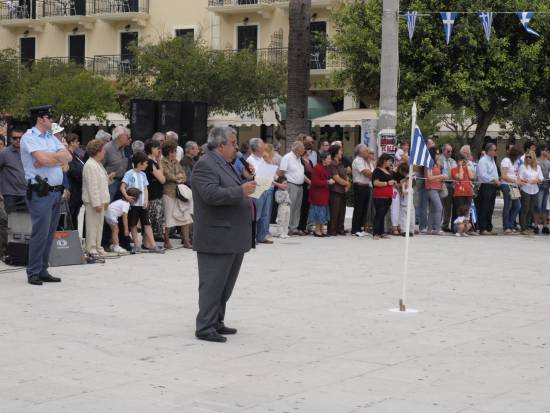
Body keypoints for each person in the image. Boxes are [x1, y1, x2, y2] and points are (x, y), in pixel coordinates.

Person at [191, 126, 256, 343]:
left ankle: (217, 320)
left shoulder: (226, 164)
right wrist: (241, 191)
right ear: (220, 146)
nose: (236, 148)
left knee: (225, 284)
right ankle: (205, 326)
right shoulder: (205, 165)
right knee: (212, 283)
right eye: (233, 143)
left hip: (232, 235)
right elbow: (210, 194)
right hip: (216, 236)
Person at [20, 105, 72, 285]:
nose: (52, 120)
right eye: (50, 117)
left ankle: (42, 269)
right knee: (40, 234)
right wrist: (53, 159)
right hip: (40, 191)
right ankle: (33, 271)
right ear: (41, 119)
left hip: (56, 192)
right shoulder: (29, 137)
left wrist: (50, 159)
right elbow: (42, 159)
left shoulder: (51, 137)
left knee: (49, 234)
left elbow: (69, 157)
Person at [121, 151, 163, 253]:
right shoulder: (129, 173)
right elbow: (122, 186)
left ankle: (153, 245)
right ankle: (136, 245)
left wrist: (146, 200)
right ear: (140, 163)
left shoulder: (143, 175)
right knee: (133, 224)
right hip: (133, 205)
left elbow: (145, 189)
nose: (147, 165)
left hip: (142, 205)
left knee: (147, 224)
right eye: (145, 163)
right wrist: (127, 196)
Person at [82, 139, 112, 263]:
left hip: (102, 200)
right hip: (94, 201)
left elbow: (101, 182)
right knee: (92, 225)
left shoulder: (98, 163)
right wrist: (96, 203)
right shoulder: (90, 165)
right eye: (103, 149)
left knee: (99, 226)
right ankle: (91, 248)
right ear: (97, 151)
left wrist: (109, 178)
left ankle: (98, 246)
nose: (104, 151)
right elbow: (92, 186)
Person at [161, 140, 193, 249]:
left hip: (178, 193)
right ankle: (166, 240)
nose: (174, 154)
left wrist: (179, 178)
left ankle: (186, 241)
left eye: (175, 151)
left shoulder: (176, 162)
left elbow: (183, 174)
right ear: (167, 152)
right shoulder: (162, 162)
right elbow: (167, 175)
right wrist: (177, 178)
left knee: (185, 216)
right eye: (172, 152)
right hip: (168, 192)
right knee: (168, 217)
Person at [247, 138, 274, 244]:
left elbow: (270, 169)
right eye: (262, 146)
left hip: (266, 187)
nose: (264, 148)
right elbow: (254, 174)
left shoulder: (262, 158)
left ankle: (262, 236)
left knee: (265, 214)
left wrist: (268, 160)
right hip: (257, 188)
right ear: (257, 148)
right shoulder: (250, 160)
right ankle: (252, 236)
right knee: (256, 214)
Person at [279, 141, 308, 236]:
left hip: (300, 186)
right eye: (302, 148)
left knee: (297, 207)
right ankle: (287, 228)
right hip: (291, 185)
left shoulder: (299, 158)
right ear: (297, 149)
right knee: (290, 207)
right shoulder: (287, 157)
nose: (304, 150)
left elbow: (301, 173)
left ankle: (294, 227)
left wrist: (309, 181)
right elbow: (281, 172)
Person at [105, 188, 141, 255]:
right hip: (111, 215)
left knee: (114, 230)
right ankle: (116, 246)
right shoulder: (126, 204)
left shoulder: (121, 201)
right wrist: (126, 230)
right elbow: (125, 218)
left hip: (108, 214)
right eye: (136, 200)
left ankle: (113, 244)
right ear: (131, 198)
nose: (135, 202)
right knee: (116, 230)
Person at [144, 139, 166, 245]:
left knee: (150, 219)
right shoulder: (150, 162)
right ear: (151, 149)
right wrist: (158, 162)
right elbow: (162, 179)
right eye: (158, 148)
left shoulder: (152, 162)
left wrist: (159, 161)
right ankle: (148, 243)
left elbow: (161, 174)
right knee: (151, 220)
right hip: (152, 195)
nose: (159, 151)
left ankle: (147, 242)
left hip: (154, 194)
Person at [0, 128, 28, 213]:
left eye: (20, 138)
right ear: (10, 139)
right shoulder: (4, 153)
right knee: (11, 222)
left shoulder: (28, 153)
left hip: (26, 193)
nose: (18, 140)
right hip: (10, 194)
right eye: (15, 138)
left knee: (26, 221)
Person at [476, 143, 500, 235]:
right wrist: (493, 179)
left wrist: (497, 179)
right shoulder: (483, 161)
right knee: (484, 207)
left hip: (493, 186)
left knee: (490, 208)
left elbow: (495, 172)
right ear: (489, 151)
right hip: (486, 185)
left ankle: (489, 227)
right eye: (494, 150)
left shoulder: (492, 160)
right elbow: (482, 175)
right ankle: (482, 228)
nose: (495, 152)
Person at [327, 144, 350, 236]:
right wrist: (347, 183)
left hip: (342, 190)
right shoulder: (332, 164)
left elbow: (345, 175)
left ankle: (340, 228)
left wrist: (347, 183)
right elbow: (336, 177)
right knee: (334, 210)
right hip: (335, 190)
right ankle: (332, 230)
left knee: (342, 210)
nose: (342, 152)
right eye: (340, 151)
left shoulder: (340, 163)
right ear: (336, 153)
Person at [518, 150, 544, 235]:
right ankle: (523, 228)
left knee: (531, 209)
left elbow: (541, 178)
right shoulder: (522, 166)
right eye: (526, 157)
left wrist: (537, 180)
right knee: (525, 209)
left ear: (533, 157)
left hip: (535, 190)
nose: (528, 158)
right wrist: (526, 180)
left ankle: (528, 226)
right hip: (526, 189)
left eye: (530, 157)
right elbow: (520, 178)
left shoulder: (538, 167)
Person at [308, 151, 333, 237]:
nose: (330, 160)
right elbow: (315, 182)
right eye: (328, 158)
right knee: (319, 211)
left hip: (324, 193)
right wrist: (327, 182)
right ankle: (317, 230)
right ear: (323, 159)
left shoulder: (325, 167)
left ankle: (321, 229)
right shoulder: (317, 168)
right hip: (318, 194)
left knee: (323, 212)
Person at [351, 144, 374, 237]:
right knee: (359, 208)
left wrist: (369, 163)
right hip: (359, 186)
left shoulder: (366, 161)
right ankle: (355, 229)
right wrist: (375, 174)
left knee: (365, 209)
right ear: (360, 152)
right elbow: (367, 173)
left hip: (366, 186)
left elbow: (372, 171)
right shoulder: (357, 160)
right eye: (366, 151)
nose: (367, 153)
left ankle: (360, 228)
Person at [103, 126, 131, 201]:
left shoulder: (123, 148)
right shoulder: (107, 148)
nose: (129, 138)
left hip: (122, 183)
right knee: (108, 206)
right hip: (111, 183)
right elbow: (99, 166)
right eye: (127, 135)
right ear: (120, 136)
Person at [372, 153, 396, 240]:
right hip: (380, 196)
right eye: (389, 161)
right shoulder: (377, 170)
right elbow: (375, 183)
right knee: (379, 214)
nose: (390, 163)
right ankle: (376, 233)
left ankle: (381, 232)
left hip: (388, 196)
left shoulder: (388, 170)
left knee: (383, 215)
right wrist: (387, 183)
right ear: (384, 161)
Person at [500, 145, 522, 234]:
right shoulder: (506, 161)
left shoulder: (516, 162)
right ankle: (506, 226)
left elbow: (516, 174)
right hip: (507, 185)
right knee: (508, 206)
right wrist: (515, 181)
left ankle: (511, 224)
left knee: (517, 206)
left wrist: (519, 181)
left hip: (514, 186)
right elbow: (504, 176)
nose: (519, 157)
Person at [66, 133, 85, 230]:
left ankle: (74, 236)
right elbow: (73, 170)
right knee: (71, 215)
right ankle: (71, 237)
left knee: (75, 215)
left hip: (78, 190)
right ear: (71, 142)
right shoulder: (68, 155)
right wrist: (84, 178)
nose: (79, 143)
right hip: (73, 189)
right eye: (77, 141)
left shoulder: (75, 154)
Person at [424, 151, 446, 235]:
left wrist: (441, 176)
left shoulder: (437, 164)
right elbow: (429, 177)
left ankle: (429, 229)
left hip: (438, 188)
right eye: (437, 154)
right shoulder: (429, 164)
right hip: (431, 188)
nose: (439, 155)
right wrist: (440, 176)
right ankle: (437, 228)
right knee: (439, 208)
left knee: (433, 209)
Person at [451, 153, 474, 228]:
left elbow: (471, 177)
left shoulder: (466, 168)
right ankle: (458, 228)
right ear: (457, 161)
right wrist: (460, 166)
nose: (462, 162)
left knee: (467, 212)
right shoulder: (453, 170)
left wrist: (467, 166)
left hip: (468, 193)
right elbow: (460, 177)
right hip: (459, 194)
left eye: (463, 160)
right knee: (460, 212)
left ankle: (466, 228)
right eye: (461, 160)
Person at [440, 144, 457, 232]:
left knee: (449, 207)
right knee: (443, 206)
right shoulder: (439, 159)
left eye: (451, 151)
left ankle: (446, 225)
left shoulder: (452, 161)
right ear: (443, 151)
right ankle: (442, 225)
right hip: (444, 184)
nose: (450, 153)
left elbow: (455, 171)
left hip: (452, 184)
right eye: (448, 151)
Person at [535, 146, 550, 234]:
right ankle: (536, 225)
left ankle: (545, 226)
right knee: (538, 206)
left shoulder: (548, 162)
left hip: (546, 186)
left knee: (545, 208)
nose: (546, 152)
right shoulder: (536, 161)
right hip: (538, 186)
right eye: (544, 150)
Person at [398, 163, 415, 236]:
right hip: (405, 204)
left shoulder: (410, 189)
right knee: (405, 218)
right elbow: (402, 181)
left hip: (408, 205)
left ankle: (410, 230)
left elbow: (404, 191)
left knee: (410, 218)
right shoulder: (408, 178)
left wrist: (402, 186)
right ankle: (405, 230)